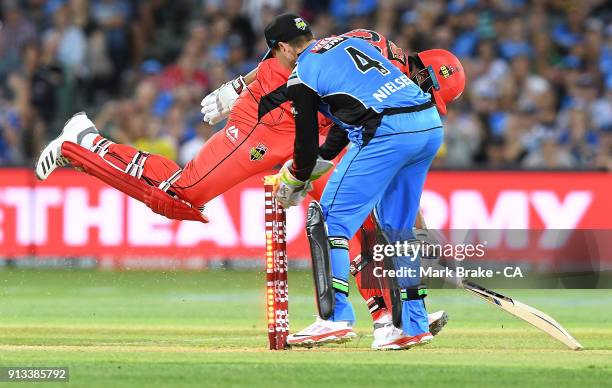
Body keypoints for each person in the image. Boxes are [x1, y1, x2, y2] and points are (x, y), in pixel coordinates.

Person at [35, 14, 460, 349]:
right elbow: (293, 61)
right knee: (182, 197)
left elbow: (386, 162)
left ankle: (389, 319)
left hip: (323, 131)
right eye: (431, 91)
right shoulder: (355, 50)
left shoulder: (385, 68)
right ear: (423, 70)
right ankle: (84, 141)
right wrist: (240, 87)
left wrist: (421, 228)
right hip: (264, 130)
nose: (429, 99)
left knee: (357, 218)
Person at [261, 14, 464, 349]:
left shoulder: (302, 72)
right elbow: (344, 122)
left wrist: (295, 179)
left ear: (283, 48)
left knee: (328, 221)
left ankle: (334, 319)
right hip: (427, 125)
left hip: (387, 132)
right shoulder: (349, 43)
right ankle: (412, 325)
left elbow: (306, 144)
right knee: (398, 229)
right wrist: (313, 165)